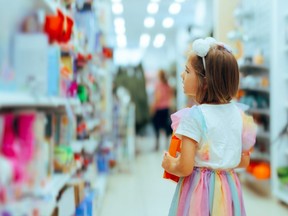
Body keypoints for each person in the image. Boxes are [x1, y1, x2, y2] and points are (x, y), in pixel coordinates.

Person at [161, 37, 257, 216]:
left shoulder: (194, 117)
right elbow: (244, 161)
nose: (182, 75)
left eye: (187, 71)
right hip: (229, 190)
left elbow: (185, 167)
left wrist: (170, 164)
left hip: (200, 192)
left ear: (205, 82)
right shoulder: (240, 115)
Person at [151, 69, 173, 151]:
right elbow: (171, 96)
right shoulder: (168, 85)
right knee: (166, 126)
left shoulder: (158, 85)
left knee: (157, 126)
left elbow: (157, 97)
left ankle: (157, 144)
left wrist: (152, 107)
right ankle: (167, 144)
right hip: (166, 108)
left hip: (159, 108)